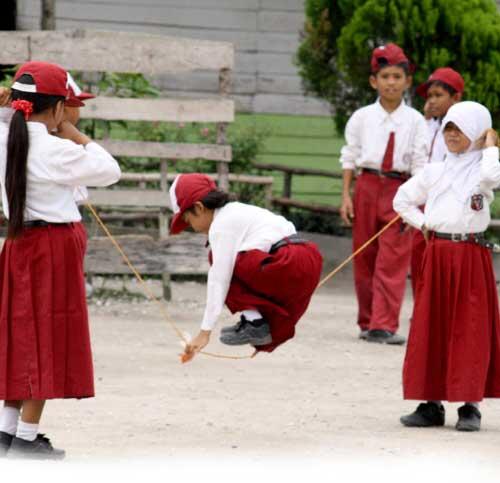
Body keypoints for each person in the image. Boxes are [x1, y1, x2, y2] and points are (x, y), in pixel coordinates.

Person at [0, 61, 121, 459]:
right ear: (54, 108)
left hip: (17, 244)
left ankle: (7, 432)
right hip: (52, 246)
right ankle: (28, 439)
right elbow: (109, 170)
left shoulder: (4, 139)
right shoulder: (53, 148)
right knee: (45, 336)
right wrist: (70, 130)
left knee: (20, 335)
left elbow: (10, 123)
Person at [393, 101, 500, 432]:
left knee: (470, 327)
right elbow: (401, 199)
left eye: (461, 129)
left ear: (478, 132)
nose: (453, 135)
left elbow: (491, 177)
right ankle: (430, 404)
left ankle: (469, 406)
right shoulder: (435, 170)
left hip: (470, 256)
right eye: (450, 129)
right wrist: (423, 222)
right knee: (432, 325)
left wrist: (491, 147)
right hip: (437, 254)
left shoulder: (483, 171)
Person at [168, 173, 323, 363]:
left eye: (188, 220)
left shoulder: (221, 225)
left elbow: (219, 278)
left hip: (286, 261)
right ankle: (257, 326)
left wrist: (204, 332)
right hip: (309, 258)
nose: (191, 227)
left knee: (221, 262)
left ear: (199, 208)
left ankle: (255, 322)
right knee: (273, 305)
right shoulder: (239, 211)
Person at [339, 43, 429, 344]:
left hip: (400, 188)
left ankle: (384, 324)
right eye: (385, 76)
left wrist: (416, 202)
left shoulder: (416, 121)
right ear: (373, 81)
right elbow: (349, 156)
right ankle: (366, 321)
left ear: (407, 81)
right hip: (366, 186)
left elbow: (420, 163)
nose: (391, 82)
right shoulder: (362, 117)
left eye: (397, 76)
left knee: (393, 258)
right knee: (364, 256)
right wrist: (346, 196)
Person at [410, 68, 464, 295]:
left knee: (445, 264)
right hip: (425, 201)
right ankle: (421, 312)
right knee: (419, 257)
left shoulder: (462, 128)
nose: (432, 101)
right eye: (429, 96)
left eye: (438, 95)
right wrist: (425, 118)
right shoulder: (428, 125)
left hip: (450, 205)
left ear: (456, 97)